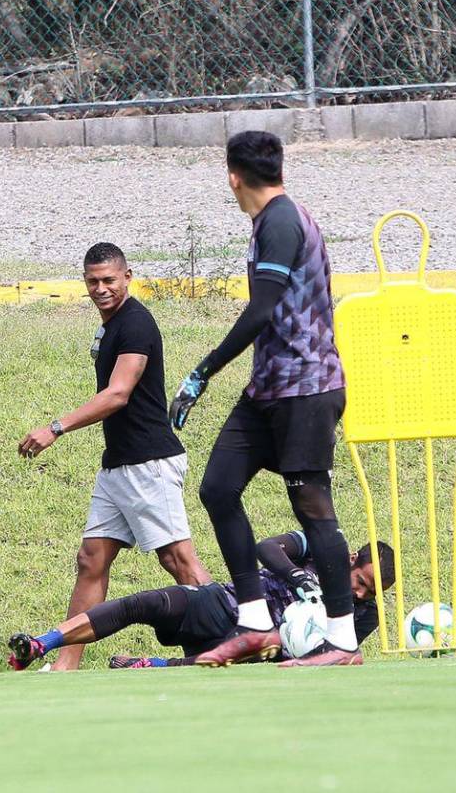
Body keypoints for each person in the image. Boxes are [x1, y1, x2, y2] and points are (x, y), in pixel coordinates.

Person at [169, 130, 356, 667]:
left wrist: (202, 372)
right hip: (268, 388)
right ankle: (253, 621)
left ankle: (342, 641)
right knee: (219, 488)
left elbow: (261, 310)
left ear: (232, 176)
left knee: (312, 504)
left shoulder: (279, 220)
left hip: (307, 387)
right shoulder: (270, 220)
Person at [18, 242, 210, 670]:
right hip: (119, 465)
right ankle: (66, 664)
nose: (101, 288)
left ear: (128, 276)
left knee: (179, 561)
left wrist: (55, 428)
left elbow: (118, 394)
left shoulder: (136, 324)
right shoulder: (109, 325)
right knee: (92, 560)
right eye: (93, 281)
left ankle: (233, 640)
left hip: (148, 463)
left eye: (109, 280)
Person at [6, 534, 394, 670]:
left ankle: (152, 665)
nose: (360, 594)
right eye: (361, 582)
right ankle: (43, 644)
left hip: (257, 643)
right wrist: (299, 577)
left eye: (370, 594)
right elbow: (266, 548)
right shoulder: (319, 547)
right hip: (224, 603)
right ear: (350, 561)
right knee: (144, 604)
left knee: (255, 648)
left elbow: (333, 654)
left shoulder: (363, 614)